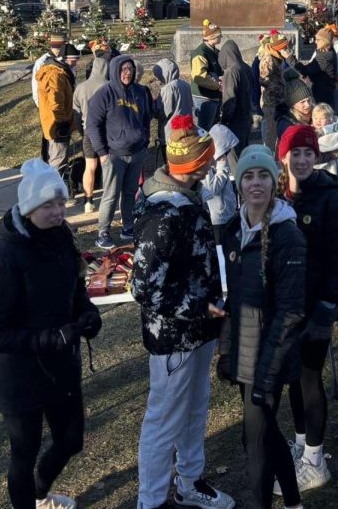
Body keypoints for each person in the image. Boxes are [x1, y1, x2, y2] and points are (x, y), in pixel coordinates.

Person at [0, 159, 102, 509]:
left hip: (60, 366)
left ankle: (39, 492)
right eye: (49, 205)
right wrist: (51, 338)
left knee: (71, 439)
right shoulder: (3, 254)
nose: (59, 211)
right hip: (19, 376)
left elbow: (75, 289)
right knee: (24, 452)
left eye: (61, 203)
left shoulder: (61, 237)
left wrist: (88, 314)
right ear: (29, 207)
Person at [131, 122, 235, 509]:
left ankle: (189, 480)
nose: (210, 168)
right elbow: (142, 288)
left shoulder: (186, 196)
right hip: (174, 337)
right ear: (192, 164)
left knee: (195, 406)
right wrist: (195, 306)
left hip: (200, 329)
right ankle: (151, 501)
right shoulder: (165, 214)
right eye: (206, 161)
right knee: (163, 420)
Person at [218, 145, 306, 509]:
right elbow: (234, 300)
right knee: (266, 435)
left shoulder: (288, 236)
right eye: (249, 176)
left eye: (263, 175)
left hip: (268, 360)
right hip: (244, 354)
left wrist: (266, 375)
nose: (256, 183)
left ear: (275, 181)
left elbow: (290, 314)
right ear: (240, 184)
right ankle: (294, 502)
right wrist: (227, 351)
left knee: (254, 444)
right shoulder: (234, 232)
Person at [277, 125, 338, 494]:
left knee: (309, 378)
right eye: (296, 152)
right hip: (286, 307)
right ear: (283, 156)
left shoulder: (330, 194)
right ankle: (302, 444)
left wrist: (326, 307)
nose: (302, 159)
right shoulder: (278, 193)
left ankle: (316, 460)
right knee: (293, 377)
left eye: (308, 152)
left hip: (316, 304)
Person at [86, 55, 153, 248]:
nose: (127, 73)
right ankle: (103, 232)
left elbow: (147, 118)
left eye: (130, 69)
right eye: (123, 69)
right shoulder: (104, 94)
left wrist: (145, 140)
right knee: (111, 194)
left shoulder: (141, 92)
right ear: (115, 71)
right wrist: (102, 153)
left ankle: (128, 226)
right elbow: (92, 125)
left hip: (137, 152)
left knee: (131, 192)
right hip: (113, 154)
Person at [72, 51, 110, 215]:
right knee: (108, 166)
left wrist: (82, 131)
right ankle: (109, 199)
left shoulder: (81, 88)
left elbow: (76, 113)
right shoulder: (110, 86)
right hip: (107, 132)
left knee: (90, 167)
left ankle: (88, 201)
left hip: (88, 131)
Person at [36, 41, 75, 172]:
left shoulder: (60, 72)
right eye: (73, 60)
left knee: (59, 158)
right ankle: (55, 189)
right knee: (58, 160)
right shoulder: (55, 75)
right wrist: (61, 122)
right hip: (57, 125)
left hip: (59, 123)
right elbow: (55, 101)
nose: (75, 64)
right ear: (63, 59)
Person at [202, 123, 240, 245]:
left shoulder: (217, 162)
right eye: (226, 150)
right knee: (221, 253)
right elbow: (211, 189)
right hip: (218, 219)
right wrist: (222, 168)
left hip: (227, 214)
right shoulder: (207, 164)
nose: (227, 153)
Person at [152, 58, 194, 162]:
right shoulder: (186, 85)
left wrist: (154, 105)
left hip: (171, 132)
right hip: (186, 129)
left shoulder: (168, 89)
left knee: (172, 163)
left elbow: (164, 112)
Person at [218, 40, 254, 157]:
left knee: (234, 158)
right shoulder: (245, 67)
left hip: (235, 121)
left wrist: (224, 120)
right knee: (244, 155)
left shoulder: (231, 72)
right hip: (247, 117)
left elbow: (230, 99)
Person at [257, 32, 292, 150]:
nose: (286, 49)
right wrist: (278, 86)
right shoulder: (268, 59)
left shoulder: (277, 58)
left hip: (278, 99)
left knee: (278, 129)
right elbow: (264, 80)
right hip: (270, 101)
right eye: (284, 47)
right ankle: (267, 152)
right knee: (270, 132)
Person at [190, 20, 224, 130]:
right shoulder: (200, 53)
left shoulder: (215, 51)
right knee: (205, 130)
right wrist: (218, 86)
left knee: (213, 128)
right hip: (204, 97)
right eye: (219, 35)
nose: (221, 37)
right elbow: (200, 77)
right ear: (211, 37)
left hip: (213, 95)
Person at [296, 27, 338, 108]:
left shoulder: (325, 57)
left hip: (323, 95)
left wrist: (289, 57)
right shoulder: (325, 51)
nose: (315, 41)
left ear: (325, 41)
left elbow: (305, 70)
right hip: (323, 91)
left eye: (318, 39)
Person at [311, 103, 338, 182]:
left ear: (330, 119)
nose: (318, 121)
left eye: (322, 118)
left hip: (333, 165)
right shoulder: (310, 131)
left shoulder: (336, 129)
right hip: (319, 166)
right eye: (315, 118)